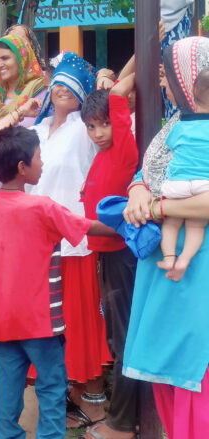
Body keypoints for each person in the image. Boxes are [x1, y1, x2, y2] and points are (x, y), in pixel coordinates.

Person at [0, 126, 114, 439]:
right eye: (39, 157)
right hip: (42, 320)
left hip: (1, 319)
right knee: (52, 385)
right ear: (22, 167)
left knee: (7, 384)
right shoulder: (43, 207)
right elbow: (87, 228)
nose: (42, 163)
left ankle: (9, 435)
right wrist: (128, 225)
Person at [123, 36, 209, 439]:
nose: (165, 81)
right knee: (170, 375)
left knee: (197, 377)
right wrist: (137, 189)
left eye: (170, 73)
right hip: (167, 271)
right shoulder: (175, 125)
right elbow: (149, 173)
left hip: (199, 275)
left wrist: (158, 208)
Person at [28, 52, 113, 429]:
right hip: (34, 238)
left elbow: (118, 98)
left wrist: (113, 75)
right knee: (44, 319)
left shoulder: (84, 127)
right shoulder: (36, 128)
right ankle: (57, 391)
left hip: (73, 236)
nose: (63, 88)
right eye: (58, 82)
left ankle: (89, 391)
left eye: (72, 84)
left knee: (77, 315)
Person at [0, 34, 47, 364]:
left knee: (25, 265)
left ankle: (29, 337)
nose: (0, 64)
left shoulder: (39, 94)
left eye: (7, 58)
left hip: (28, 188)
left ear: (23, 60)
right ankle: (0, 337)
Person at [79, 82, 140, 439]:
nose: (99, 133)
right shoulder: (102, 156)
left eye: (105, 123)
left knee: (124, 340)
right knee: (117, 338)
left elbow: (117, 94)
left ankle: (121, 424)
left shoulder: (121, 151)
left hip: (121, 258)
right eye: (91, 126)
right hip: (106, 257)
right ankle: (126, 417)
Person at [156, 68, 209, 281]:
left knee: (171, 223)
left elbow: (170, 146)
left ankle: (169, 258)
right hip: (204, 186)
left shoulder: (179, 126)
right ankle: (184, 260)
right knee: (196, 224)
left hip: (176, 183)